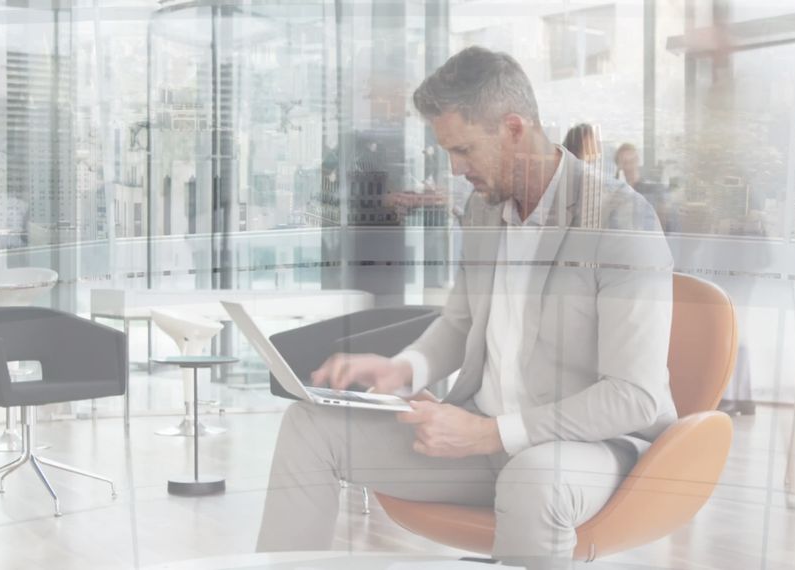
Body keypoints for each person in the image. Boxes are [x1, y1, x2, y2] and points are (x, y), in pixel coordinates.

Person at [256, 46, 675, 569]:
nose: (454, 170)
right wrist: (403, 369)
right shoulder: (484, 209)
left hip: (591, 447)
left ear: (515, 130)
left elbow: (633, 396)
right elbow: (461, 320)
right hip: (481, 437)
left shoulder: (619, 220)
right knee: (309, 427)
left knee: (534, 478)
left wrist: (491, 433)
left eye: (464, 150)